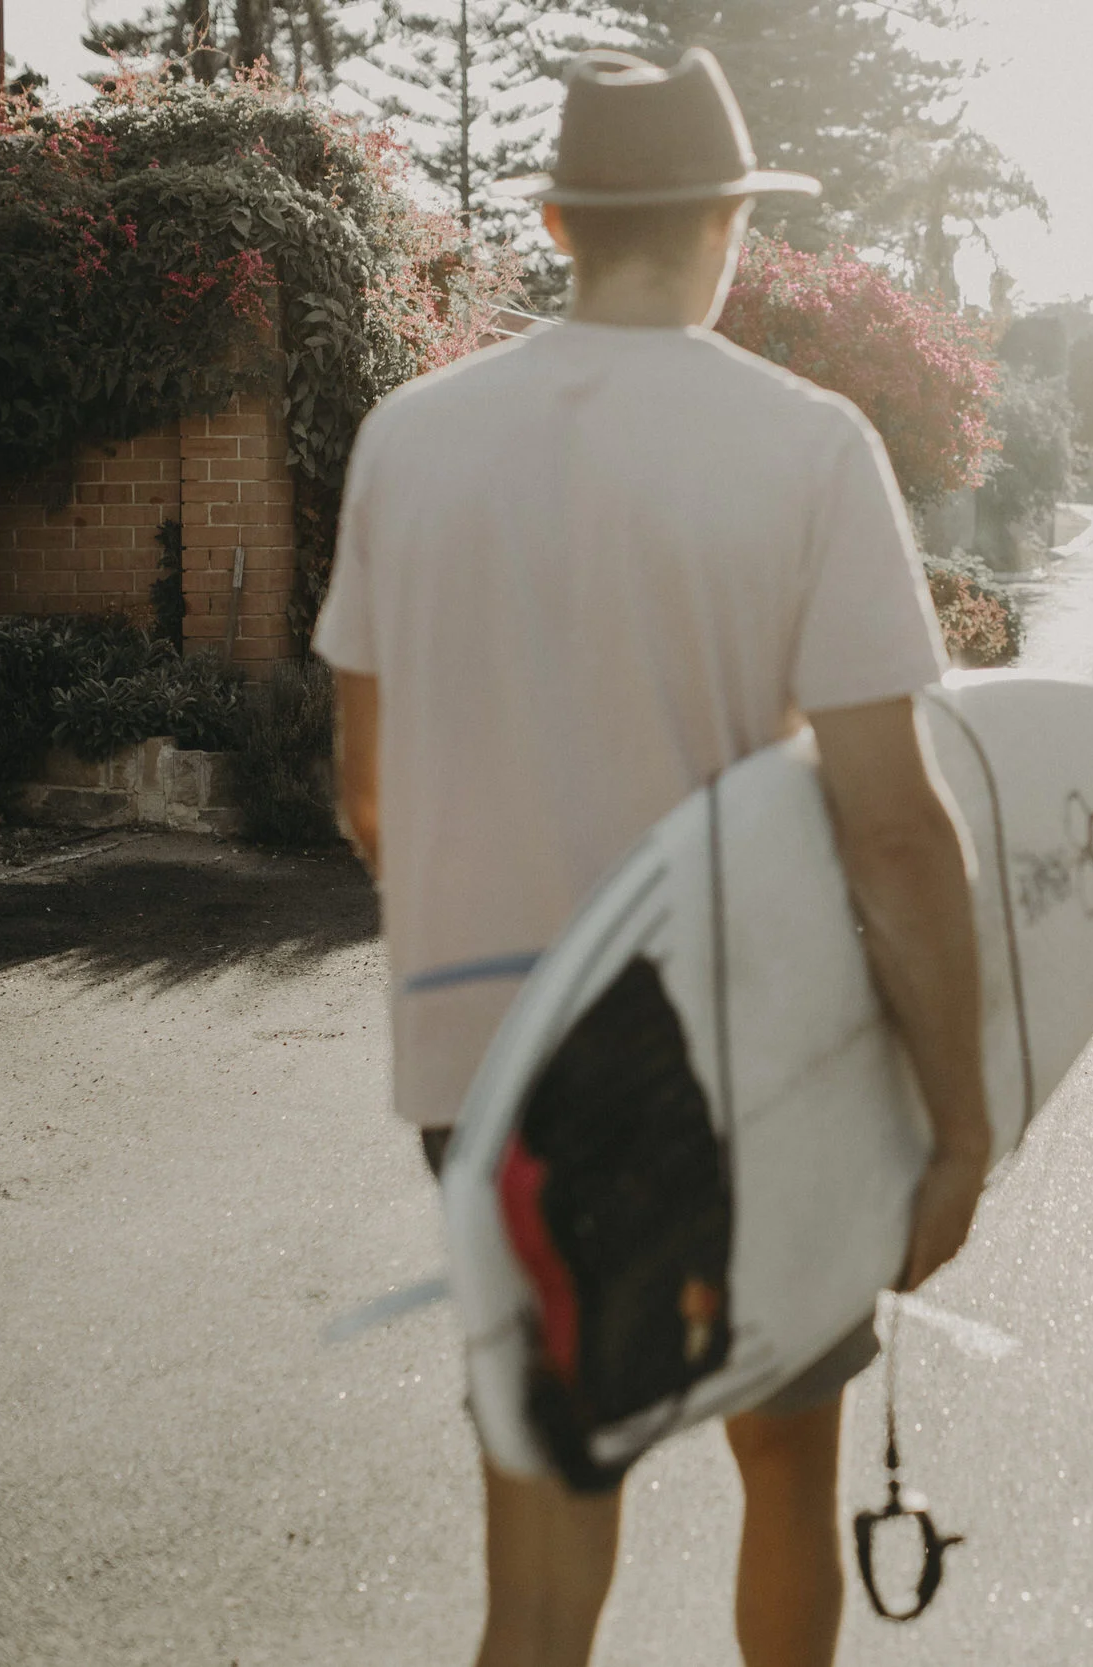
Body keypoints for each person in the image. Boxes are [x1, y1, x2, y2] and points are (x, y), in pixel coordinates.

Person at [311, 49, 992, 1667]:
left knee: (547, 1544)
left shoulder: (409, 439)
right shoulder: (810, 446)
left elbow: (366, 792)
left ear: (557, 222)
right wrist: (961, 1121)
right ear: (728, 227)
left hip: (494, 1072)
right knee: (786, 1468)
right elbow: (893, 825)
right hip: (756, 1063)